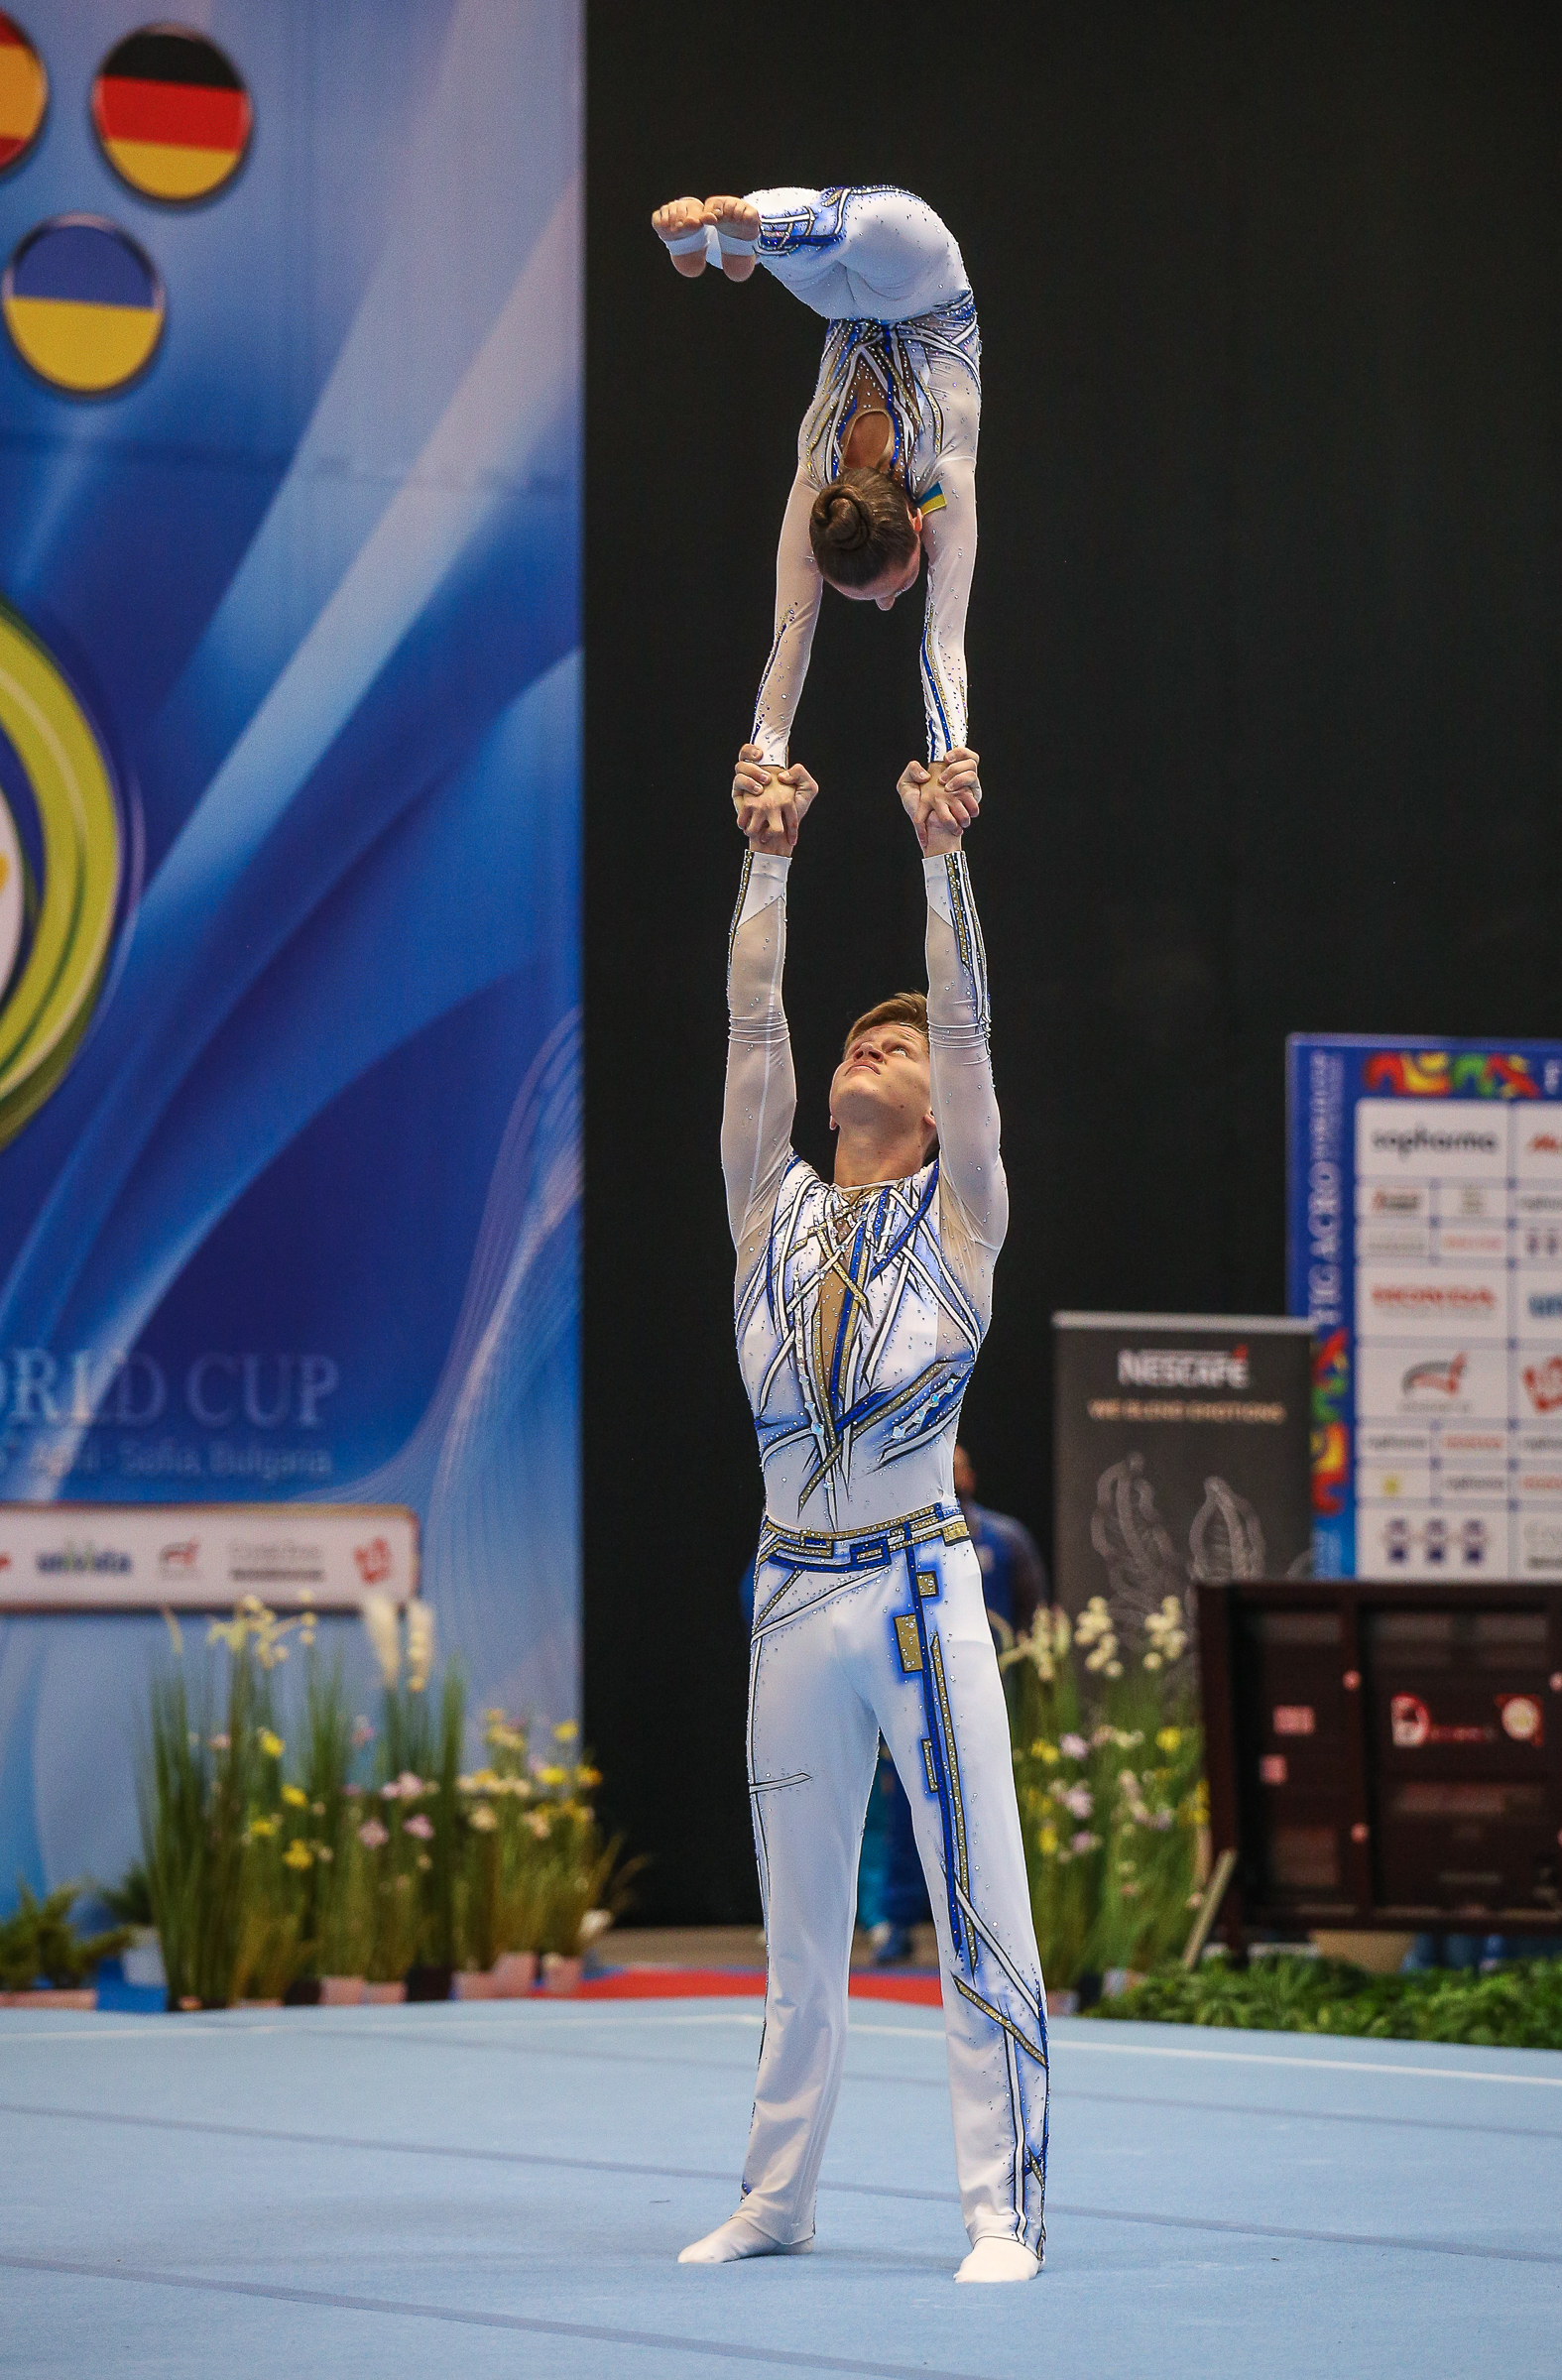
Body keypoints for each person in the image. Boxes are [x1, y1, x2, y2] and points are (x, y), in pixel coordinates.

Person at [678, 743, 1047, 2284]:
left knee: (974, 1905)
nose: (875, 1048)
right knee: (797, 1926)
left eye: (898, 1046)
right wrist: (763, 856)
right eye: (861, 1039)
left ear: (940, 1103)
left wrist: (938, 857)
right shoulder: (764, 1204)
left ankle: (998, 2211)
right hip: (788, 1596)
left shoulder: (961, 1215)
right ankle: (775, 2197)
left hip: (916, 1590)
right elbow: (748, 1016)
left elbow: (960, 1021)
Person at [652, 184, 980, 771]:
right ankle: (738, 241)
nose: (888, 604)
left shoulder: (821, 485)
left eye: (881, 592)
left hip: (845, 306)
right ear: (916, 518)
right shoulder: (940, 476)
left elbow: (792, 631)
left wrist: (768, 761)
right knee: (840, 227)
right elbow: (940, 639)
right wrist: (947, 758)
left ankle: (731, 239)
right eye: (898, 589)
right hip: (922, 285)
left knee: (811, 239)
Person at [953, 1443, 1048, 1645]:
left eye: (952, 1468)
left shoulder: (1006, 1536)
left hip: (999, 1656)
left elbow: (1034, 1607)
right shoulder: (909, 1544)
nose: (946, 1477)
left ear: (969, 1478)